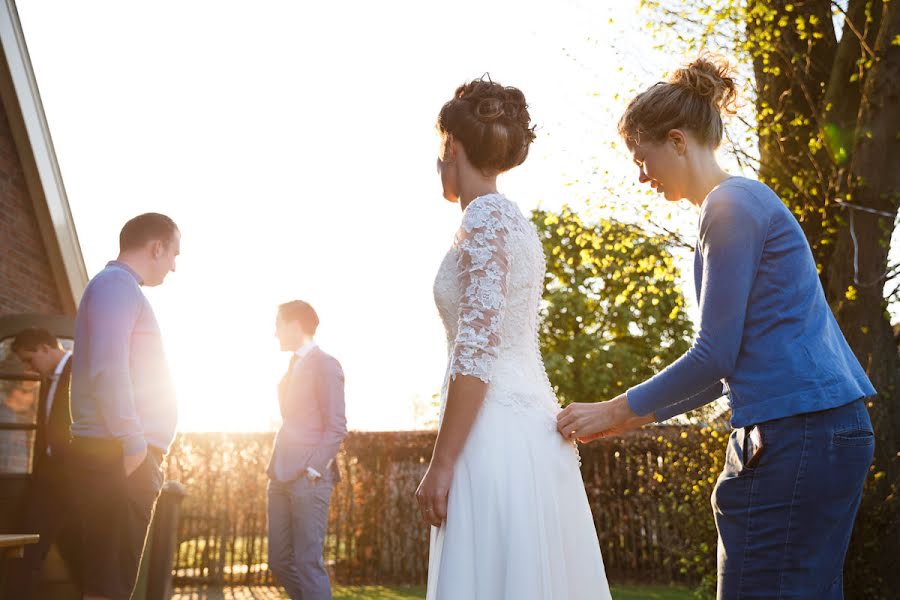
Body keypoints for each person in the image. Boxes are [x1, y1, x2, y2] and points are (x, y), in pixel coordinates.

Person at [557, 55, 876, 599]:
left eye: (643, 156)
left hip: (793, 434)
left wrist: (616, 408)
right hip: (824, 430)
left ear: (678, 141)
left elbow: (713, 357)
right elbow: (723, 368)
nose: (641, 175)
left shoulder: (728, 208)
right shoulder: (744, 203)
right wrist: (637, 416)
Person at [417, 77, 611, 600]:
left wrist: (442, 463)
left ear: (451, 147)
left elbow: (476, 351)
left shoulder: (484, 218)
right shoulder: (513, 221)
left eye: (438, 151)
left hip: (492, 435)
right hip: (532, 431)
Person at [69, 212, 180, 600]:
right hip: (118, 456)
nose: (174, 266)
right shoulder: (117, 286)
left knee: (107, 582)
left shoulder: (117, 287)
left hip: (117, 454)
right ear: (156, 247)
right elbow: (109, 368)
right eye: (173, 255)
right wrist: (134, 444)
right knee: (109, 587)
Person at [266, 300, 347, 600]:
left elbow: (337, 425)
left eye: (278, 325)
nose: (275, 333)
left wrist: (313, 471)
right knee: (279, 560)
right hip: (279, 475)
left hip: (308, 478)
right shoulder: (293, 366)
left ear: (295, 324)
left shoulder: (325, 364)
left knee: (307, 563)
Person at [6, 327, 76, 598]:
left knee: (83, 557)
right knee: (26, 555)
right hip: (47, 485)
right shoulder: (50, 378)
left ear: (46, 349)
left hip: (77, 484)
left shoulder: (80, 372)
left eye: (29, 359)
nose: (29, 368)